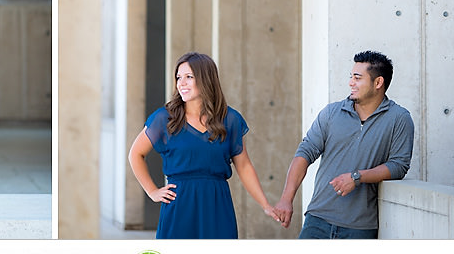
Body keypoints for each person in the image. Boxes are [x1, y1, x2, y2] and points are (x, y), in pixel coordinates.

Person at [128, 51, 278, 238]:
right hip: (179, 205)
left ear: (206, 79)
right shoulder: (165, 119)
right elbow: (135, 154)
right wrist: (152, 191)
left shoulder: (229, 120)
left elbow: (244, 165)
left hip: (217, 205)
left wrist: (265, 205)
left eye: (189, 77)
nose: (181, 83)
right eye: (178, 77)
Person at [272, 49, 414, 239]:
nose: (350, 83)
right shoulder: (331, 113)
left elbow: (398, 166)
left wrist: (358, 177)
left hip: (359, 227)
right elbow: (305, 153)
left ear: (378, 82)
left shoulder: (399, 119)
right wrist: (286, 199)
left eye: (357, 78)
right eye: (351, 77)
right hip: (317, 219)